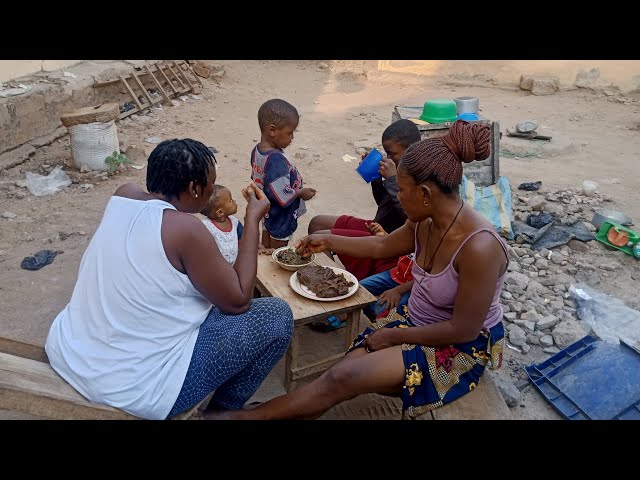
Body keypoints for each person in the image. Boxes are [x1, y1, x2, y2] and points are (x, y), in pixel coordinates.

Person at [204, 121, 508, 420]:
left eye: (401, 190)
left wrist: (390, 339)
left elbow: (462, 329)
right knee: (344, 371)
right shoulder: (425, 220)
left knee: (342, 377)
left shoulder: (479, 249)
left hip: (456, 346)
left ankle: (241, 418)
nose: (398, 197)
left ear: (426, 194)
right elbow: (381, 247)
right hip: (416, 321)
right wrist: (326, 239)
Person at [44, 138, 294, 420]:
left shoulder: (124, 194)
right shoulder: (186, 228)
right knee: (276, 316)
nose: (213, 189)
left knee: (205, 294)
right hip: (135, 389)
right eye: (211, 183)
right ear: (194, 189)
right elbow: (237, 302)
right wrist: (252, 221)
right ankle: (222, 412)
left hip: (69, 351)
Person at [307, 119, 422, 282]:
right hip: (377, 226)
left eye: (393, 154)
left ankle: (333, 286)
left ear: (410, 150)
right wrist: (376, 179)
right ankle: (332, 278)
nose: (388, 158)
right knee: (317, 223)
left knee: (320, 238)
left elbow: (410, 217)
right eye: (386, 153)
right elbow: (384, 204)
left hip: (391, 238)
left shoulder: (419, 176)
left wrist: (391, 180)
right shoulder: (399, 170)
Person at [250, 98, 316, 250]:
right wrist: (301, 193)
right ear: (272, 130)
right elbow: (281, 195)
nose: (292, 138)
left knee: (266, 244)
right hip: (280, 214)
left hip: (267, 210)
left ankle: (263, 268)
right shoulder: (276, 160)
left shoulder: (258, 150)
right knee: (278, 250)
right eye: (290, 133)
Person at [358, 221, 415, 322]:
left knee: (380, 309)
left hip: (414, 287)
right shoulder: (413, 223)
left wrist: (398, 290)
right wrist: (385, 235)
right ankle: (375, 320)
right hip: (397, 274)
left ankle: (381, 324)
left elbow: (428, 277)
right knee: (358, 290)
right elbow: (394, 245)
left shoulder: (437, 236)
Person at [200, 184, 244, 265]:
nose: (234, 201)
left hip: (235, 267)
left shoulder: (235, 222)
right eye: (231, 200)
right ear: (220, 212)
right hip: (217, 271)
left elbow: (245, 239)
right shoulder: (206, 227)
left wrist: (258, 246)